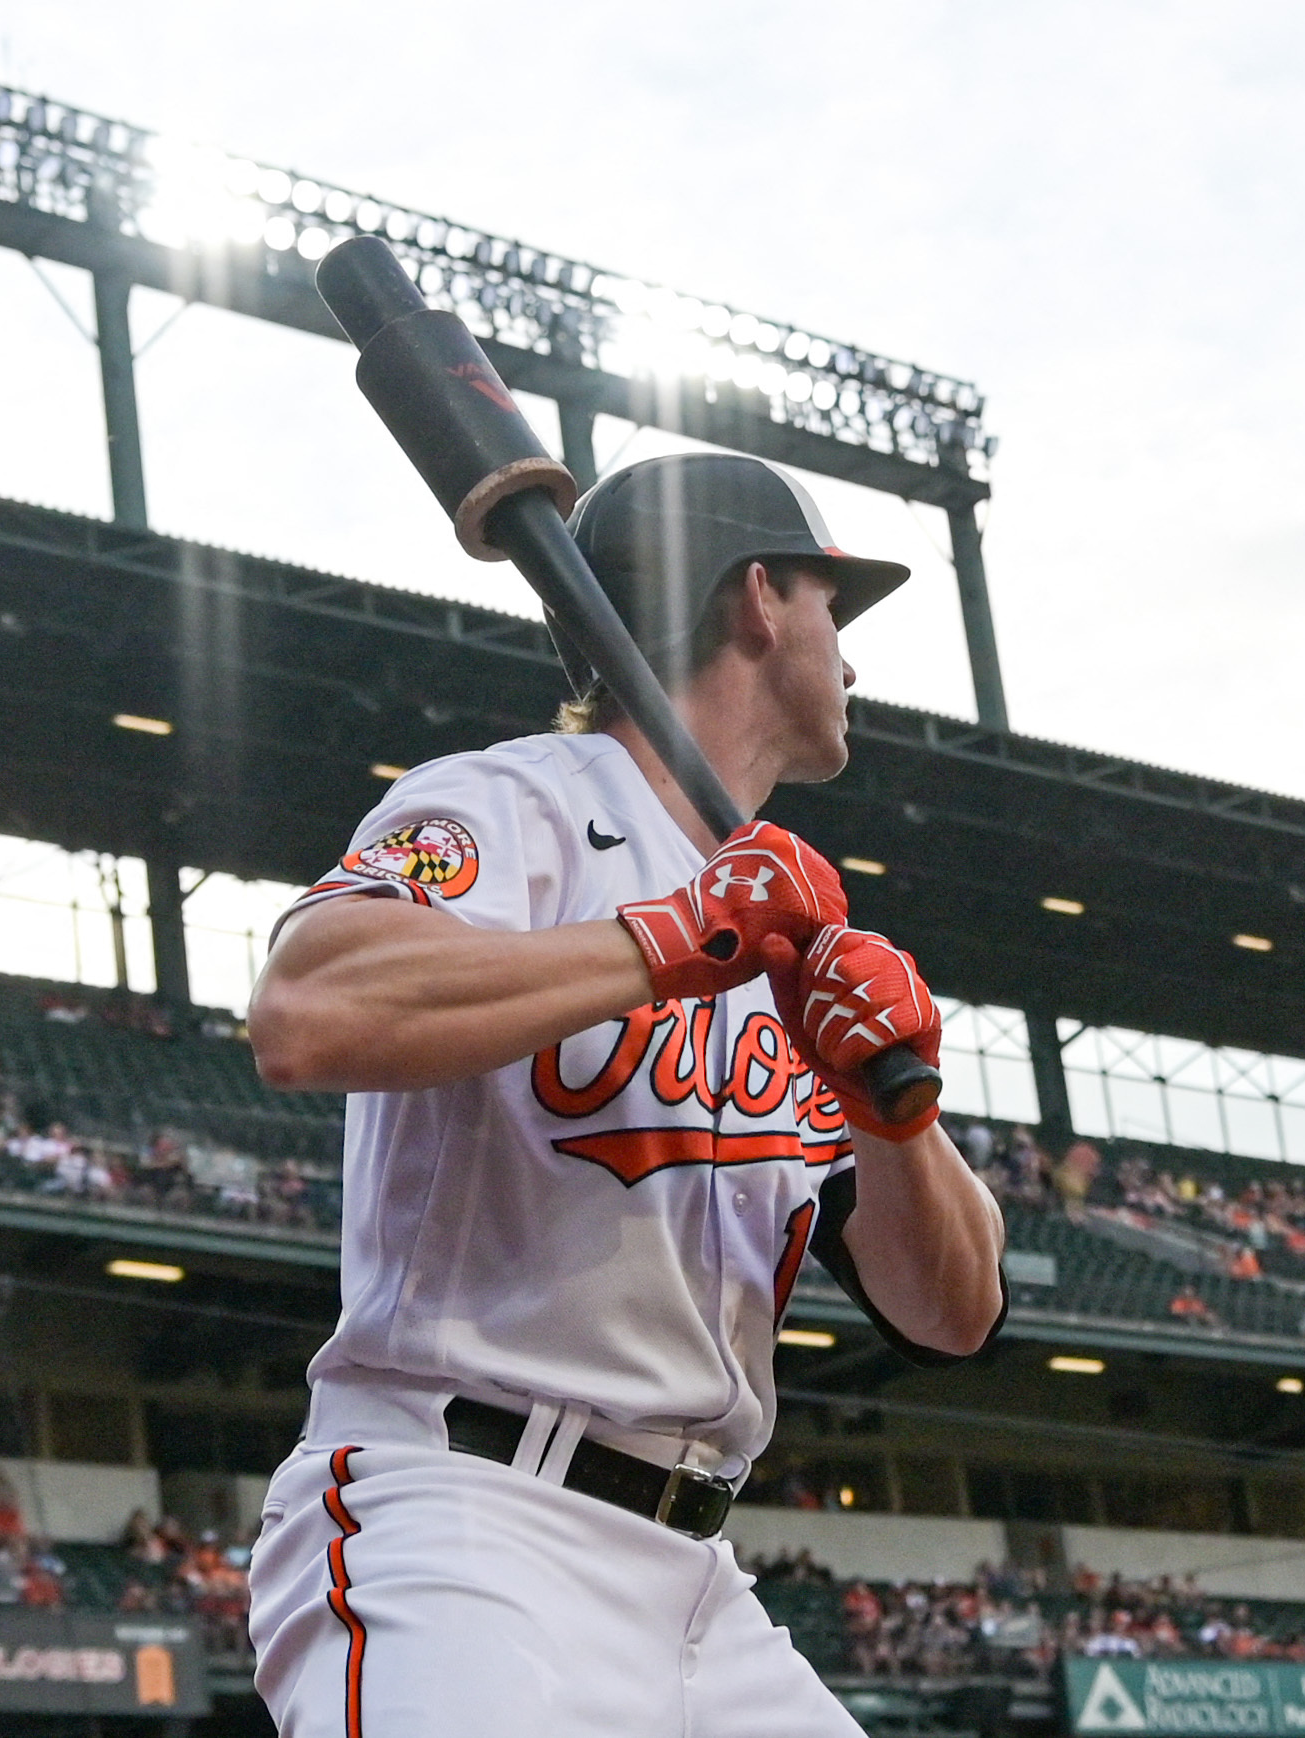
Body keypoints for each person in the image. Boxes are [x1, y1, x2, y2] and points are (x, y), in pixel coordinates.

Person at [244, 454, 1005, 1738]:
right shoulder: (514, 800)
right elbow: (308, 1010)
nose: (852, 656)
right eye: (834, 604)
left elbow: (957, 1310)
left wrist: (895, 1119)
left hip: (702, 1574)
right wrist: (665, 940)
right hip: (467, 1515)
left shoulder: (793, 930)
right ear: (760, 597)